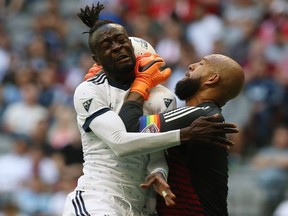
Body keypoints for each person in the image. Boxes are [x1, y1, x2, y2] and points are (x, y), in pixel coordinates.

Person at [62, 3, 239, 216]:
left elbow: (154, 152)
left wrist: (158, 170)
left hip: (140, 206)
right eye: (107, 45)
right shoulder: (89, 90)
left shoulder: (170, 101)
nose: (117, 47)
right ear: (97, 60)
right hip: (99, 198)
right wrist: (182, 137)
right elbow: (122, 139)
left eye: (121, 41)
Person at [118, 54, 245, 215]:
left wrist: (141, 84)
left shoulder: (201, 115)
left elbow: (128, 128)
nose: (191, 65)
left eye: (201, 64)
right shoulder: (204, 116)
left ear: (212, 79)